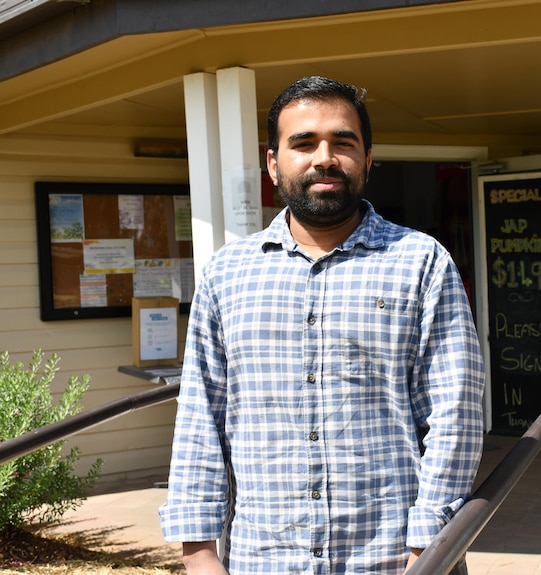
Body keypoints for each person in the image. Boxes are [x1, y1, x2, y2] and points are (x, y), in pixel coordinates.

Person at [159, 75, 485, 575]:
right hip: (261, 560)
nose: (324, 157)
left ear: (368, 159)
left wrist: (429, 549)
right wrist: (199, 553)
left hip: (392, 559)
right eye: (303, 142)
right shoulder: (227, 274)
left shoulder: (421, 262)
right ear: (273, 163)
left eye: (343, 142)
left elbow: (454, 413)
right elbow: (202, 416)